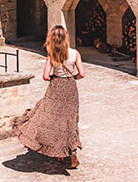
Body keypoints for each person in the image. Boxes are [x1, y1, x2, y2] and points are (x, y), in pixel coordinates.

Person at [12, 24, 85, 168]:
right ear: (66, 38)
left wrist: (55, 76)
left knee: (54, 121)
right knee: (69, 119)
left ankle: (58, 152)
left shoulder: (51, 54)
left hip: (55, 87)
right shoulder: (75, 53)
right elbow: (82, 74)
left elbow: (45, 76)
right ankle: (71, 151)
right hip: (70, 88)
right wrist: (72, 78)